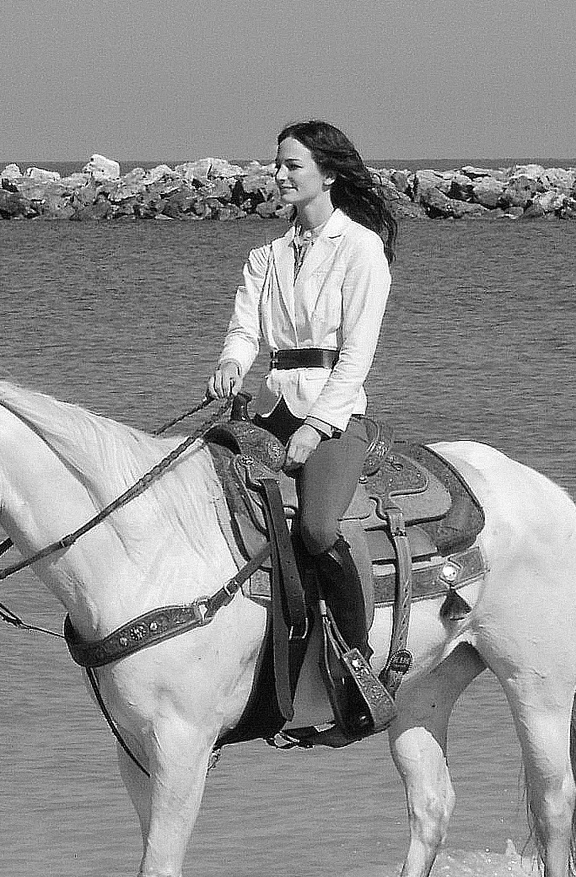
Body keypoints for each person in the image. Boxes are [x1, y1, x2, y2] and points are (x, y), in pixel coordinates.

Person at [206, 119, 397, 723]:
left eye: (293, 165)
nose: (280, 174)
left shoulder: (361, 249)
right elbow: (244, 331)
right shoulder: (265, 257)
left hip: (337, 414)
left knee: (316, 529)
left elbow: (357, 357)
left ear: (328, 174)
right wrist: (232, 364)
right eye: (278, 164)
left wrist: (317, 427)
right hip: (273, 404)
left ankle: (357, 663)